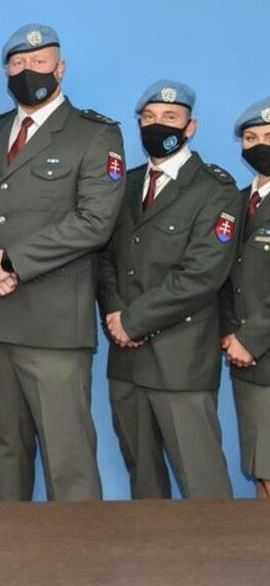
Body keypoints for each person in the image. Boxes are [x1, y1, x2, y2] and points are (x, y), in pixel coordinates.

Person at [0, 23, 125, 502]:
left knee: (69, 465)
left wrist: (10, 263)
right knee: (4, 454)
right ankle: (9, 547)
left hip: (54, 329)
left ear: (60, 68)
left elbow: (95, 222)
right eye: (19, 63)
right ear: (7, 71)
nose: (29, 70)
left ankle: (78, 551)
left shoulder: (95, 134)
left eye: (40, 61)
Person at [98, 80, 235, 500]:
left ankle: (218, 548)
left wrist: (133, 321)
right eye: (149, 117)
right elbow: (105, 257)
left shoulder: (215, 189)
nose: (158, 125)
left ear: (190, 127)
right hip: (127, 362)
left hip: (181, 361)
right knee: (144, 485)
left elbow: (202, 275)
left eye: (170, 118)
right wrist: (115, 314)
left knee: (203, 484)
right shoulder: (125, 184)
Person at [220, 95, 270, 498]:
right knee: (260, 463)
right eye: (251, 139)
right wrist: (229, 334)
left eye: (269, 137)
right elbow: (223, 275)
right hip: (245, 359)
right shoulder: (237, 203)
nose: (259, 146)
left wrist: (250, 339)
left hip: (257, 346)